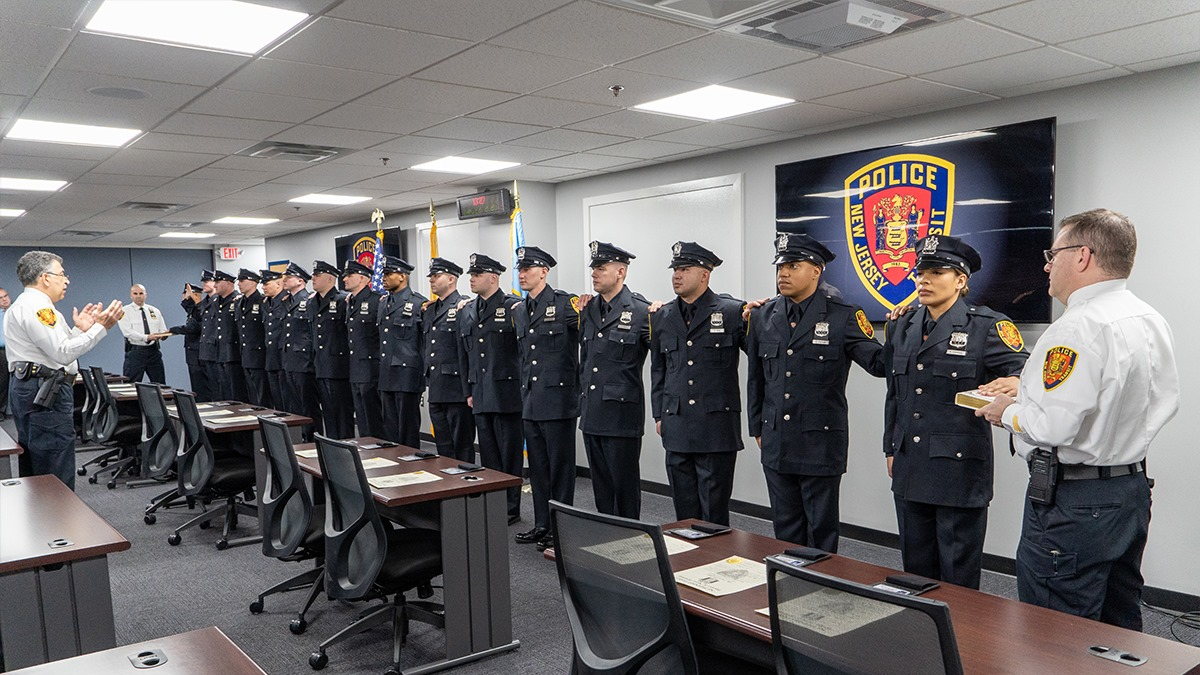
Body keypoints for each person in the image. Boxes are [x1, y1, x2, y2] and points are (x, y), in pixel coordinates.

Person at [978, 209, 1178, 629]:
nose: (1048, 265)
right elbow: (1151, 398)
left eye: (1054, 254)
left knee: (1055, 630)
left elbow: (1054, 426)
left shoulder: (1077, 327)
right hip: (1130, 491)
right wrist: (1028, 391)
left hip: (1072, 503)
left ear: (1083, 256)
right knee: (1117, 620)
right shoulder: (1148, 318)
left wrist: (1007, 412)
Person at [881, 234, 1028, 589]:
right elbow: (895, 394)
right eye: (920, 272)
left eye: (936, 272)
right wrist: (890, 446)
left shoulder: (987, 326)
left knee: (958, 574)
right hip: (910, 463)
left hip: (958, 472)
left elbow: (1025, 370)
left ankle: (959, 641)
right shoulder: (903, 324)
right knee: (915, 570)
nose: (924, 280)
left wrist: (1016, 381)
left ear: (961, 280)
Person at [746, 233, 885, 551]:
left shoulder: (843, 315)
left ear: (817, 270)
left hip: (820, 442)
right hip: (777, 440)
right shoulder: (763, 316)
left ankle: (821, 594)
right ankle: (786, 590)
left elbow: (878, 363)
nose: (783, 273)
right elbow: (757, 379)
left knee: (821, 530)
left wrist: (905, 331)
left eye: (793, 266)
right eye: (780, 266)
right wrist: (758, 427)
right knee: (785, 526)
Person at [3, 251, 122, 488]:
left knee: (37, 464)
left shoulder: (26, 305)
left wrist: (81, 331)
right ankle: (58, 521)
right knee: (54, 465)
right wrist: (100, 328)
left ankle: (42, 519)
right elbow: (62, 353)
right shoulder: (38, 308)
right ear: (46, 278)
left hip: (33, 387)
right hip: (45, 392)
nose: (66, 280)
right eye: (62, 274)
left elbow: (53, 351)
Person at [649, 242, 746, 526]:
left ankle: (716, 565)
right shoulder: (663, 316)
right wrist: (659, 414)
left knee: (714, 511)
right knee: (684, 509)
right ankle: (687, 563)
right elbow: (659, 370)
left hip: (716, 427)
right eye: (675, 270)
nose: (676, 275)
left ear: (705, 275)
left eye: (684, 269)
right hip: (676, 424)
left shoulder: (731, 312)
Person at [512, 246, 580, 551]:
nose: (522, 274)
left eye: (528, 269)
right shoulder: (518, 310)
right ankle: (542, 524)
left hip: (559, 401)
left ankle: (561, 528)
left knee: (560, 469)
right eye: (520, 269)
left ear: (544, 271)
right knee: (538, 468)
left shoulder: (567, 305)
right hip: (531, 401)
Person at [578, 241, 652, 519]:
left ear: (620, 272)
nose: (594, 274)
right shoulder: (587, 308)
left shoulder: (642, 311)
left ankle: (629, 543)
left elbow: (666, 362)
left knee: (625, 488)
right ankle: (604, 537)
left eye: (601, 268)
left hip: (622, 416)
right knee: (602, 488)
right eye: (593, 268)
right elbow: (586, 360)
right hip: (592, 412)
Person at [459, 253, 524, 524]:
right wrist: (468, 391)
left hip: (507, 394)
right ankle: (493, 503)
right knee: (488, 455)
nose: (472, 279)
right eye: (471, 275)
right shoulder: (468, 310)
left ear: (493, 278)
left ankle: (511, 508)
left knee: (509, 455)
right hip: (481, 393)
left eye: (477, 275)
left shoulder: (513, 307)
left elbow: (523, 352)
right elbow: (465, 355)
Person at [422, 257, 475, 461]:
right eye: (431, 277)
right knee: (443, 448)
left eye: (437, 276)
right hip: (436, 389)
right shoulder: (430, 309)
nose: (432, 280)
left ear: (451, 279)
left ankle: (466, 489)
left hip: (456, 390)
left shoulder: (464, 306)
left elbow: (468, 350)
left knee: (462, 447)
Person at [377, 256, 427, 446]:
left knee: (407, 430)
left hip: (407, 376)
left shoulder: (418, 304)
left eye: (389, 274)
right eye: (383, 274)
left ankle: (410, 469)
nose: (384, 278)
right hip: (387, 374)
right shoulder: (383, 302)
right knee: (389, 430)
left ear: (402, 276)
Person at [310, 260, 353, 439]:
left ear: (330, 279)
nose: (313, 278)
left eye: (317, 275)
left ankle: (345, 449)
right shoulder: (313, 302)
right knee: (328, 413)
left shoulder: (343, 300)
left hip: (339, 367)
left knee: (342, 415)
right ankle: (332, 450)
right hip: (320, 366)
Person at [342, 260, 384, 438]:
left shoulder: (376, 300)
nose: (344, 279)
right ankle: (367, 453)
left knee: (374, 419)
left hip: (371, 369)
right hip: (356, 369)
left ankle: (378, 453)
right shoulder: (350, 301)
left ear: (362, 278)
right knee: (362, 418)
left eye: (349, 275)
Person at [280, 262, 320, 438]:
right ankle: (299, 436)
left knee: (308, 405)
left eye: (289, 278)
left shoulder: (309, 300)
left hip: (304, 361)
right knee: (294, 404)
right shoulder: (288, 301)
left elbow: (312, 332)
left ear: (300, 281)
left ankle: (312, 436)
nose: (285, 281)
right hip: (290, 360)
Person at [160, 282, 209, 399]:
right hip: (193, 353)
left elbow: (193, 328)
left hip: (198, 354)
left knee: (202, 387)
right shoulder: (193, 310)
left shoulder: (198, 310)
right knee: (196, 385)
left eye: (186, 295)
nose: (183, 298)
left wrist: (172, 330)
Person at [116, 284, 168, 384]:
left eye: (141, 293)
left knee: (160, 383)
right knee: (131, 383)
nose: (138, 296)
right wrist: (147, 337)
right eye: (135, 293)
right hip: (135, 351)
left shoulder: (154, 311)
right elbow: (127, 332)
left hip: (153, 352)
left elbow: (162, 330)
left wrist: (164, 336)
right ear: (131, 295)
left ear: (146, 295)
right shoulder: (124, 311)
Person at [235, 269, 269, 407]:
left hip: (259, 355)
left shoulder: (262, 301)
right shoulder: (239, 302)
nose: (239, 284)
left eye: (242, 281)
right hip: (245, 354)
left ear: (253, 282)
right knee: (251, 395)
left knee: (262, 396)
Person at [213, 270, 247, 401]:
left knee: (236, 393)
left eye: (217, 282)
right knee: (224, 391)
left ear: (228, 283)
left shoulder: (238, 300)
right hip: (221, 352)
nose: (214, 285)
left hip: (234, 353)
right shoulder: (216, 302)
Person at [260, 269, 289, 410]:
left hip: (283, 357)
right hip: (271, 358)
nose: (263, 287)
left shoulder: (288, 301)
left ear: (278, 284)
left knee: (287, 400)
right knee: (276, 400)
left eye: (267, 284)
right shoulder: (265, 303)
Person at [197, 270, 220, 401]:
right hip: (207, 349)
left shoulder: (218, 301)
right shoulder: (206, 302)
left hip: (216, 350)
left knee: (218, 385)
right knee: (210, 385)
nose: (203, 284)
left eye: (206, 281)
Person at [0, 286, 11, 421]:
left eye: (5, 296)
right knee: (2, 381)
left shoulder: (15, 311)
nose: (4, 300)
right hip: (1, 351)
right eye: (0, 298)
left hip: (14, 350)